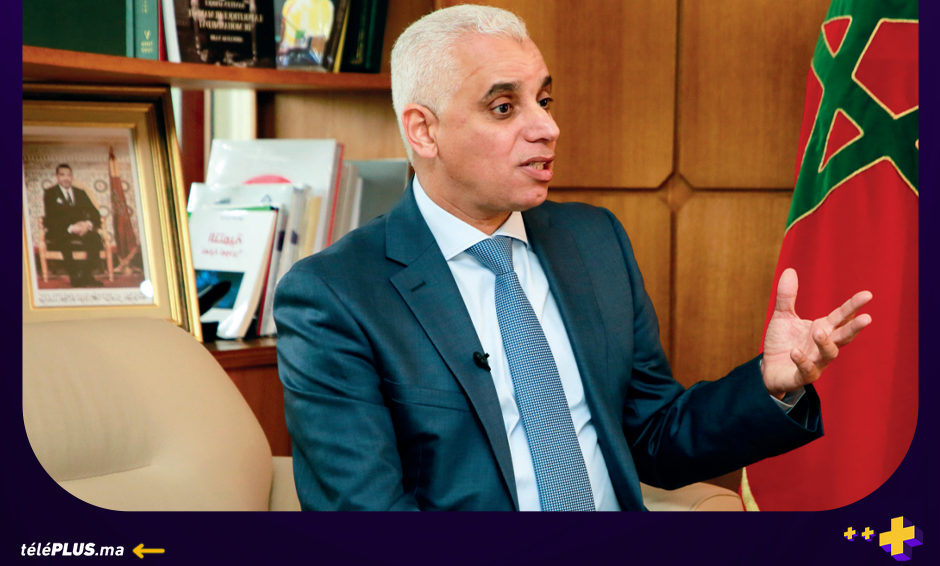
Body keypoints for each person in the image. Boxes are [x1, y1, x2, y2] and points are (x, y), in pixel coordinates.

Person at [273, 5, 872, 511]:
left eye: (544, 98)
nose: (547, 127)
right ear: (423, 132)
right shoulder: (335, 296)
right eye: (504, 107)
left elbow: (653, 439)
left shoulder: (594, 242)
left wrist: (769, 384)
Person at [42, 164, 104, 288]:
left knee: (95, 238)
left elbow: (94, 213)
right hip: (61, 230)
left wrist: (87, 224)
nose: (66, 178)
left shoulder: (80, 193)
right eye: (62, 175)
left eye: (69, 175)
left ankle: (87, 275)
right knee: (64, 240)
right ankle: (74, 276)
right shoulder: (50, 193)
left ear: (72, 177)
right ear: (57, 177)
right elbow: (51, 217)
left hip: (81, 229)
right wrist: (71, 228)